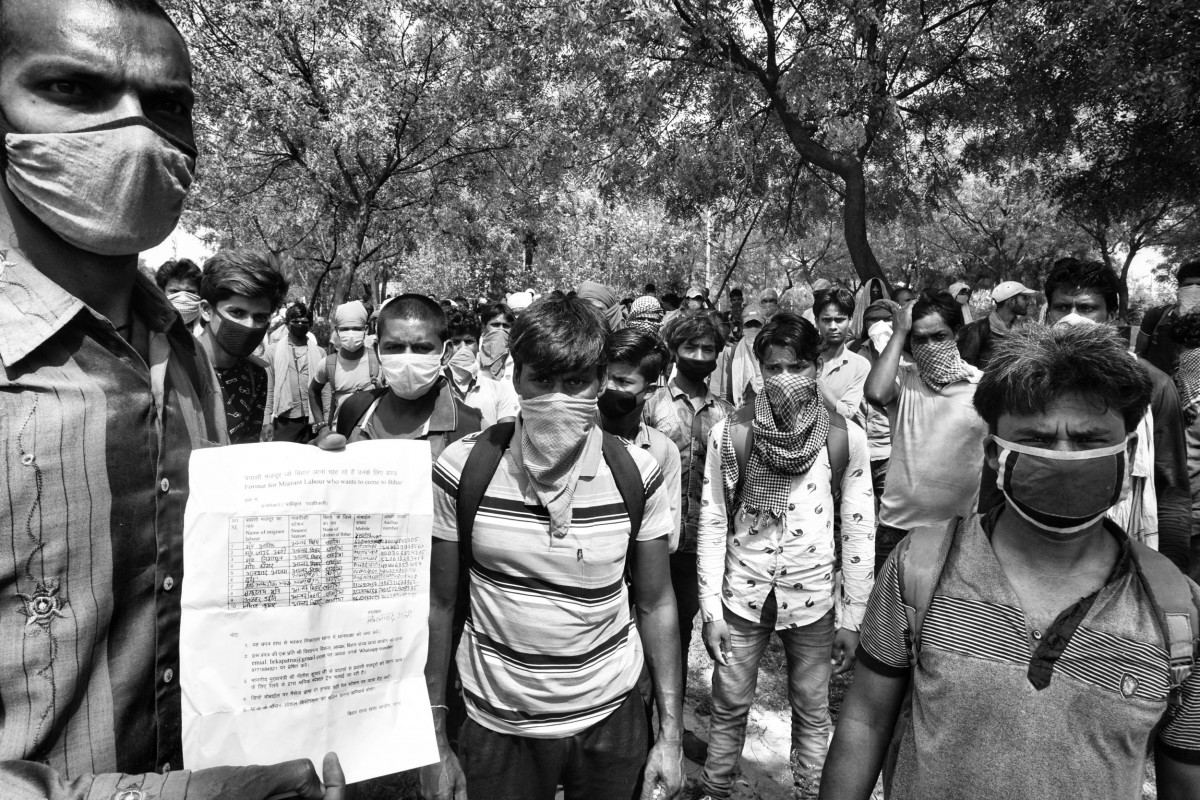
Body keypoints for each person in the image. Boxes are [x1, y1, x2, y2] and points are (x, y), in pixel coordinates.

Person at [0, 0, 344, 796]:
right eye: (73, 89)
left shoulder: (179, 351)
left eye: (167, 104)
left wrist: (293, 506)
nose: (134, 130)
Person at [820, 324, 1200, 800]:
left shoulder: (1178, 613)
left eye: (1087, 440)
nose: (1063, 457)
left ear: (1129, 453)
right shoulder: (920, 568)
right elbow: (865, 721)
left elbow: (1186, 778)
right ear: (995, 454)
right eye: (1037, 438)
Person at [420, 295, 684, 800]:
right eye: (542, 380)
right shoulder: (462, 467)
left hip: (612, 717)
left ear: (601, 380)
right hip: (498, 722)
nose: (558, 399)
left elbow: (656, 603)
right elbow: (439, 604)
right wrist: (434, 737)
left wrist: (670, 736)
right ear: (516, 378)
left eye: (575, 382)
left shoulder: (637, 472)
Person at [696, 312, 874, 800]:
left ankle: (812, 791)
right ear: (759, 370)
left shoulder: (845, 436)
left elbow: (859, 531)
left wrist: (853, 617)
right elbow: (713, 521)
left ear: (817, 367)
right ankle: (715, 789)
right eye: (773, 368)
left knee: (813, 711)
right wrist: (711, 611)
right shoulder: (731, 433)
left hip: (813, 597)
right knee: (729, 705)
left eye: (796, 367)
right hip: (743, 591)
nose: (784, 378)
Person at [1031, 258, 1191, 574]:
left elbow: (1171, 489)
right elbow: (1000, 472)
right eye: (1062, 307)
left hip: (1123, 549)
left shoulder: (1154, 385)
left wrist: (1171, 574)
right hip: (1035, 545)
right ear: (1049, 313)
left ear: (1112, 316)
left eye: (1086, 308)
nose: (1072, 318)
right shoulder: (1025, 379)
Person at [642, 313, 734, 762]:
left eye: (708, 349)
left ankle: (669, 731)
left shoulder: (726, 412)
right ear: (674, 351)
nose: (699, 356)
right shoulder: (651, 403)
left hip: (698, 545)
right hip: (651, 540)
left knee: (676, 637)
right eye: (690, 348)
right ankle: (635, 734)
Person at [865, 291, 988, 572]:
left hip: (959, 533)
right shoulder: (905, 379)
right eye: (920, 339)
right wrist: (899, 331)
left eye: (939, 336)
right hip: (897, 529)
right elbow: (875, 393)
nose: (930, 346)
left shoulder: (982, 387)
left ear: (956, 334)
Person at [331, 294, 481, 455]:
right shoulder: (354, 410)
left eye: (422, 348)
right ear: (377, 351)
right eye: (394, 347)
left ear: (445, 353)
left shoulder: (469, 427)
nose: (407, 359)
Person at [600, 328, 682, 547]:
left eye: (622, 382)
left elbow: (668, 540)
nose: (608, 387)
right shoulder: (580, 434)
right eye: (604, 377)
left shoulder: (663, 451)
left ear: (649, 390)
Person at [198, 248, 288, 444]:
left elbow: (248, 448)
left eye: (260, 317)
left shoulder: (255, 375)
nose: (249, 326)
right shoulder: (176, 367)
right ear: (206, 310)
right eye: (237, 313)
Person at [849, 300, 901, 506]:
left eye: (886, 319)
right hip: (858, 447)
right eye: (873, 319)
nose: (879, 324)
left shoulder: (905, 356)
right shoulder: (853, 349)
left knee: (890, 507)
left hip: (889, 448)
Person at [309, 300, 379, 431]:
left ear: (366, 329)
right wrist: (321, 426)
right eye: (345, 329)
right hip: (340, 435)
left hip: (371, 436)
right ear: (337, 331)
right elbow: (313, 391)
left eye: (356, 329)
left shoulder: (378, 360)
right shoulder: (328, 364)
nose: (351, 333)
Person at [444, 310, 519, 428]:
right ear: (445, 347)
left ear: (478, 345)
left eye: (469, 342)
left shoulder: (498, 390)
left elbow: (507, 431)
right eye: (455, 342)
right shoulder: (430, 389)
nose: (463, 348)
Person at [266, 301, 324, 443]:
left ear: (310, 325)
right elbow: (269, 389)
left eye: (304, 322)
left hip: (314, 419)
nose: (300, 324)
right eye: (295, 321)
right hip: (285, 420)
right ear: (287, 324)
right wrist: (267, 420)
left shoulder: (320, 353)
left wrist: (325, 422)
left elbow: (326, 391)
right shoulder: (272, 352)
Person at [814, 287, 871, 423]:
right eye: (826, 320)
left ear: (850, 320)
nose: (833, 326)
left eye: (839, 320)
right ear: (817, 321)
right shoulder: (802, 358)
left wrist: (815, 378)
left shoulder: (860, 366)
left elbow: (847, 413)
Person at [1137, 259, 1200, 376]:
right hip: (1155, 385)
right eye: (1188, 285)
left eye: (1199, 285)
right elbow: (1138, 355)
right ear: (1179, 288)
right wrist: (1159, 378)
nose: (1194, 290)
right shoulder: (1156, 315)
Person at [956, 280, 1036, 369]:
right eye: (1025, 298)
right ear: (1011, 301)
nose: (1029, 301)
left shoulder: (1022, 330)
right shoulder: (980, 328)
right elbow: (966, 365)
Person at [155, 257, 204, 335]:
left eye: (190, 292)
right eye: (175, 291)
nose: (183, 298)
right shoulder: (150, 328)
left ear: (199, 293)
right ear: (162, 292)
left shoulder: (211, 326)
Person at [478, 301, 516, 384]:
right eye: (495, 325)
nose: (501, 330)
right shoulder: (475, 354)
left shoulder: (517, 356)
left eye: (506, 326)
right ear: (484, 326)